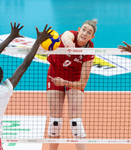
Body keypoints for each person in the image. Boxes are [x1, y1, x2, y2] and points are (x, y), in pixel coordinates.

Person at [0, 22, 52, 150]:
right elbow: (25, 65)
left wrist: (10, 37)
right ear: (1, 79)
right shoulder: (4, 90)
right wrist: (38, 41)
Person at [47, 20, 97, 150]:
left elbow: (82, 84)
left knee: (76, 121)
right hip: (55, 71)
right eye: (84, 29)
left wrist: (64, 82)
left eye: (89, 32)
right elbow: (65, 36)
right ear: (79, 29)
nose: (85, 33)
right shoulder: (71, 35)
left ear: (92, 37)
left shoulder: (89, 51)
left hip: (73, 78)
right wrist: (69, 44)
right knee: (55, 121)